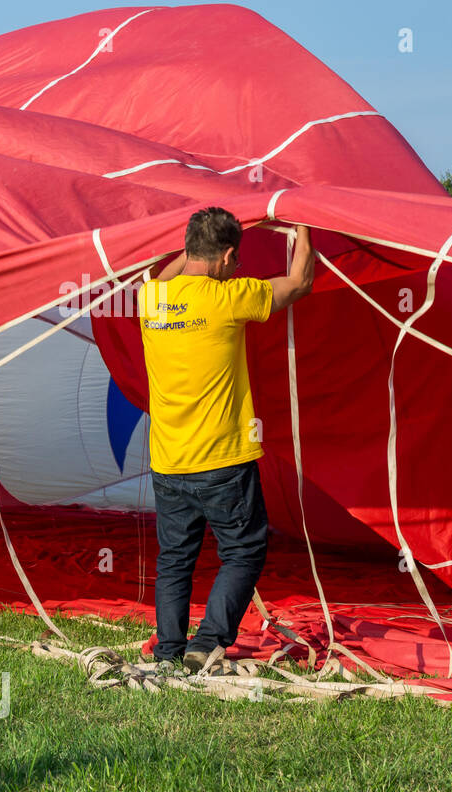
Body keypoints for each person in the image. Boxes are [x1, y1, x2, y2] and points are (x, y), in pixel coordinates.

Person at [138, 206, 314, 672]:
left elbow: (174, 271)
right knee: (244, 550)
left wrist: (197, 248)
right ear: (227, 257)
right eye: (235, 262)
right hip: (222, 461)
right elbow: (298, 283)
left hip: (169, 461)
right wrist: (303, 223)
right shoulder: (227, 298)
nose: (236, 270)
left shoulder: (150, 299)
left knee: (175, 559)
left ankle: (170, 651)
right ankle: (207, 641)